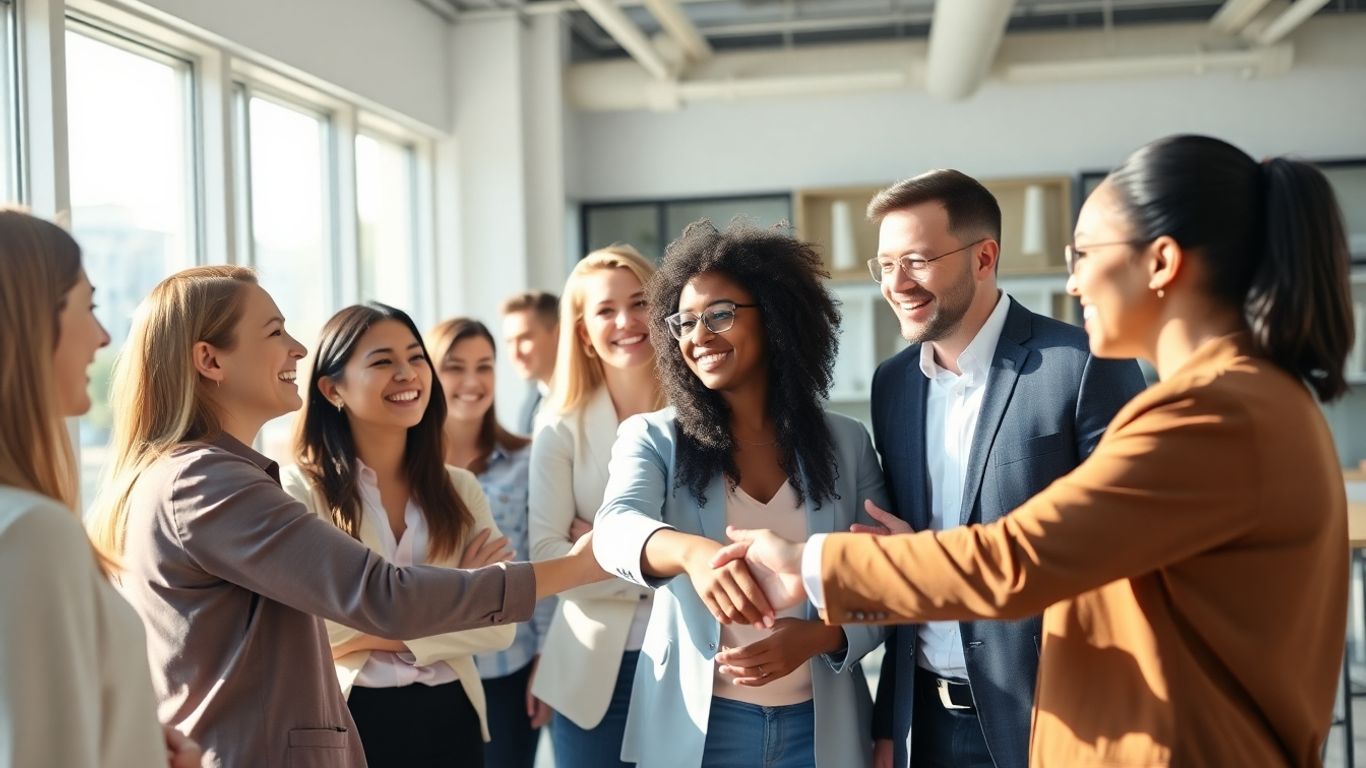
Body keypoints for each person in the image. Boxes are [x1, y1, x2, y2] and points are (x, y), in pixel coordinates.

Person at [717, 134, 1354, 767]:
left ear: (1160, 263)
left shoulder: (1212, 415)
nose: (1073, 281)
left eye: (1085, 254)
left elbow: (1019, 558)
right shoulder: (1247, 399)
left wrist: (808, 561)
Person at [86, 265, 609, 768]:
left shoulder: (197, 476)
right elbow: (385, 596)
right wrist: (576, 568)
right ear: (210, 360)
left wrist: (376, 622)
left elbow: (377, 614)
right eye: (275, 331)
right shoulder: (208, 483)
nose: (297, 349)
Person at [856, 169, 1145, 768]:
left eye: (915, 260)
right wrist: (891, 725)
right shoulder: (893, 384)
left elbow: (1118, 555)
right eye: (884, 265)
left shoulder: (1084, 364)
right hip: (925, 726)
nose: (897, 284)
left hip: (1052, 720)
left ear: (983, 257)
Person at [592, 221, 889, 767]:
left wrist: (823, 637)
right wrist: (691, 554)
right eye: (683, 321)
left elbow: (885, 577)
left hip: (821, 733)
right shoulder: (654, 437)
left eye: (720, 315)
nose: (698, 336)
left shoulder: (847, 443)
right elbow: (613, 530)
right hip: (698, 731)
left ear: (776, 317)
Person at [0, 209, 200, 768]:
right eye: (86, 306)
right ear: (28, 322)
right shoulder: (31, 532)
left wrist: (127, 732)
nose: (104, 336)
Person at [281, 303, 518, 767]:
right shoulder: (299, 491)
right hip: (351, 717)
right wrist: (456, 596)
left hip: (453, 716)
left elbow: (502, 622)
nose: (408, 374)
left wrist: (369, 631)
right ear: (332, 389)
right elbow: (311, 629)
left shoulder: (460, 488)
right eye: (383, 361)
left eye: (415, 358)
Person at [529, 245, 662, 768]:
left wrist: (601, 549)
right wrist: (668, 554)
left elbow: (724, 538)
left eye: (640, 302)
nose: (626, 321)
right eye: (606, 310)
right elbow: (546, 556)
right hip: (589, 677)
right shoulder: (558, 425)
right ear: (583, 331)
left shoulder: (704, 412)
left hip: (698, 660)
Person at [431, 316, 557, 768]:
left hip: (509, 668)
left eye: (484, 366)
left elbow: (540, 563)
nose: (472, 381)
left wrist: (546, 657)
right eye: (455, 367)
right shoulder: (408, 468)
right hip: (429, 670)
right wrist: (457, 573)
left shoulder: (528, 458)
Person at [500, 291, 560, 435]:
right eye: (509, 342)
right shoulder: (529, 409)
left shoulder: (596, 395)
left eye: (524, 338)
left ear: (558, 333)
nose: (515, 354)